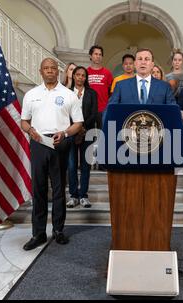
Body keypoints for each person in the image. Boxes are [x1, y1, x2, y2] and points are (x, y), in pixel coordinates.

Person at [21, 58, 83, 251]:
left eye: (53, 68)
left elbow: (78, 124)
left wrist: (64, 133)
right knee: (38, 190)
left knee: (58, 190)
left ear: (59, 71)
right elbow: (24, 121)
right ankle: (38, 233)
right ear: (41, 71)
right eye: (46, 68)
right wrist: (30, 131)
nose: (49, 71)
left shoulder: (69, 95)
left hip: (60, 143)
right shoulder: (31, 94)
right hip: (38, 142)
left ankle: (58, 230)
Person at [66, 66, 98, 209]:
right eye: (77, 75)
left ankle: (83, 195)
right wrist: (75, 129)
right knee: (72, 165)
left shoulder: (91, 93)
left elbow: (94, 113)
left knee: (86, 166)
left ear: (86, 78)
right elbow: (64, 114)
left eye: (83, 75)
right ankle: (73, 195)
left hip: (87, 132)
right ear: (73, 76)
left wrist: (82, 128)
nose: (80, 77)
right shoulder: (66, 93)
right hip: (71, 133)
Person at [109, 48, 175, 105]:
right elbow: (110, 110)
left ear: (152, 65)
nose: (143, 62)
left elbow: (172, 111)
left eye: (147, 59)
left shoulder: (165, 87)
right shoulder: (121, 86)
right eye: (140, 59)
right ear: (135, 64)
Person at [87, 45, 113, 129]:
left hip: (103, 109)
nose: (98, 56)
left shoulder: (107, 73)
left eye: (100, 54)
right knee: (89, 136)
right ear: (90, 56)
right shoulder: (85, 72)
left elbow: (111, 92)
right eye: (96, 54)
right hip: (89, 110)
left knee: (103, 135)